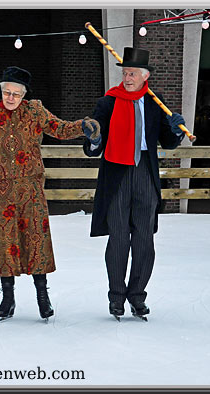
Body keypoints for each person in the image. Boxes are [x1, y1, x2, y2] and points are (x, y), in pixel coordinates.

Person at [0, 66, 100, 321]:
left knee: (36, 240)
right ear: (1, 90)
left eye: (16, 94)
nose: (10, 98)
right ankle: (8, 298)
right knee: (4, 243)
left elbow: (59, 128)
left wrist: (83, 126)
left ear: (25, 94)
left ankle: (42, 295)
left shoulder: (35, 111)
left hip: (30, 189)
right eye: (7, 92)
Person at [82, 48, 186, 321]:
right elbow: (94, 144)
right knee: (118, 238)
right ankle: (116, 298)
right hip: (116, 173)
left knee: (144, 240)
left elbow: (169, 141)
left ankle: (137, 297)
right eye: (124, 73)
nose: (127, 78)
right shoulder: (108, 103)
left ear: (144, 76)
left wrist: (175, 129)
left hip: (144, 173)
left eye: (132, 74)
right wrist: (93, 138)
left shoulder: (155, 102)